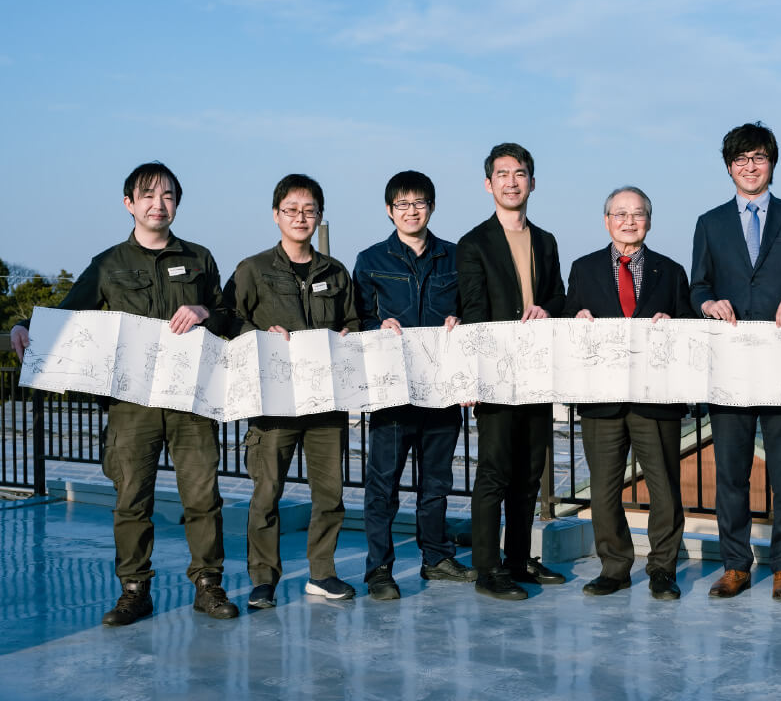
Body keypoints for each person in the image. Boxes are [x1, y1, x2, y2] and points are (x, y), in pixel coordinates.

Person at [10, 162, 238, 625]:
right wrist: (24, 326)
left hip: (190, 402)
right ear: (129, 204)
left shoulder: (200, 258)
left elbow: (228, 315)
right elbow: (68, 316)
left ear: (177, 203)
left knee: (202, 497)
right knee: (132, 500)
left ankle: (209, 586)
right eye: (148, 196)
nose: (159, 204)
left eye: (168, 195)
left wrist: (204, 311)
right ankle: (134, 592)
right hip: (130, 406)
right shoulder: (108, 264)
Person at [690, 121, 781, 600]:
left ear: (772, 164)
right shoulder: (710, 223)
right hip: (729, 367)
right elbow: (698, 285)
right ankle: (736, 565)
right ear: (729, 168)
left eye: (759, 158)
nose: (750, 167)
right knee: (731, 472)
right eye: (741, 160)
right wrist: (707, 304)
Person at [223, 173, 359, 609]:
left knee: (330, 494)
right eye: (291, 210)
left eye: (309, 210)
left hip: (325, 403)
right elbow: (226, 318)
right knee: (267, 494)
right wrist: (259, 333)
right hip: (273, 402)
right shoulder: (253, 269)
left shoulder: (335, 272)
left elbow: (354, 323)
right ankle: (263, 578)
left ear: (319, 215)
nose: (300, 217)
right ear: (276, 215)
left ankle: (322, 572)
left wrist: (345, 335)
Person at [564, 186, 694, 600]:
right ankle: (614, 567)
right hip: (602, 399)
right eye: (620, 214)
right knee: (603, 490)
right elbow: (568, 323)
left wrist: (670, 322)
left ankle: (662, 569)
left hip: (656, 399)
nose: (629, 221)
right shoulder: (583, 269)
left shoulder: (670, 271)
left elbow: (689, 327)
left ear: (649, 221)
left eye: (637, 214)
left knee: (664, 490)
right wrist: (577, 316)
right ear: (606, 221)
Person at [353, 170, 476, 600]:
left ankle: (436, 558)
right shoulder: (371, 260)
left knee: (437, 482)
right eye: (402, 204)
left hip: (442, 392)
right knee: (382, 485)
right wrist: (376, 324)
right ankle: (379, 570)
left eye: (419, 203)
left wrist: (460, 323)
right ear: (389, 211)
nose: (411, 211)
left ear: (432, 207)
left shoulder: (455, 257)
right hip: (393, 393)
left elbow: (471, 314)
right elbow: (358, 319)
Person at [456, 142, 567, 600]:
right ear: (489, 184)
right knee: (494, 474)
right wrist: (477, 378)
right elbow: (474, 313)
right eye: (502, 174)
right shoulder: (473, 243)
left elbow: (558, 298)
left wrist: (547, 310)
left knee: (528, 475)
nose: (512, 181)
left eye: (520, 173)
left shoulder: (546, 240)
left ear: (532, 182)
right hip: (497, 376)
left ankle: (519, 560)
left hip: (538, 375)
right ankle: (488, 569)